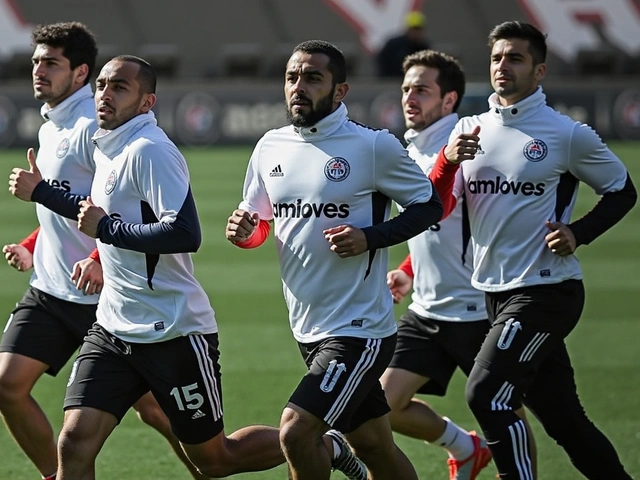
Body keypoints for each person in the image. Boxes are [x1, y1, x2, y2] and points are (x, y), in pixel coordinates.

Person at [7, 54, 287, 480]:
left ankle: (316, 441)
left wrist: (108, 230)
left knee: (213, 460)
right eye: (102, 84)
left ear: (146, 102)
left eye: (120, 87)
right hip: (113, 327)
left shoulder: (150, 151)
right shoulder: (108, 145)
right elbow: (96, 215)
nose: (105, 94)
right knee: (74, 441)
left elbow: (184, 233)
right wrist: (47, 196)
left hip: (172, 328)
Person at [226, 39, 443, 480]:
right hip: (308, 325)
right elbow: (262, 223)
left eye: (312, 78)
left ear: (339, 91)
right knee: (374, 445)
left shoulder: (373, 146)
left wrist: (371, 237)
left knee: (296, 432)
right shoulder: (271, 146)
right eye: (292, 77)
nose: (298, 87)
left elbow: (428, 205)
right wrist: (247, 234)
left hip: (360, 329)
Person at [430, 21, 636, 479]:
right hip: (495, 293)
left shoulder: (565, 134)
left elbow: (622, 190)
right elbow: (436, 209)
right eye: (498, 57)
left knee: (485, 394)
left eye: (516, 58)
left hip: (547, 290)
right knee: (564, 421)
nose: (503, 66)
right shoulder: (468, 129)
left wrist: (579, 233)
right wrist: (447, 161)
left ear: (539, 71)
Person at [0, 23, 206, 480]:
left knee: (157, 414)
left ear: (78, 72)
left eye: (50, 62)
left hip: (103, 297)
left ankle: (210, 468)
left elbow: (114, 200)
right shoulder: (54, 121)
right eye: (36, 61)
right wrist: (34, 244)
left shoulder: (94, 125)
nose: (38, 70)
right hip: (53, 289)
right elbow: (69, 201)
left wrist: (96, 257)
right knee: (7, 386)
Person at [382, 48, 539, 480]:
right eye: (406, 89)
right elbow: (434, 228)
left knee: (504, 410)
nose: (410, 98)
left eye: (422, 90)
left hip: (477, 309)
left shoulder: (469, 146)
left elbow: (455, 212)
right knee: (378, 406)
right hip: (426, 310)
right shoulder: (411, 148)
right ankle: (464, 448)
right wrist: (408, 271)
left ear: (449, 100)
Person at [376, 11, 431, 78]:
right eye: (413, 29)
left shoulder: (424, 48)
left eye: (418, 29)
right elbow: (382, 63)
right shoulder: (393, 45)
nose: (415, 32)